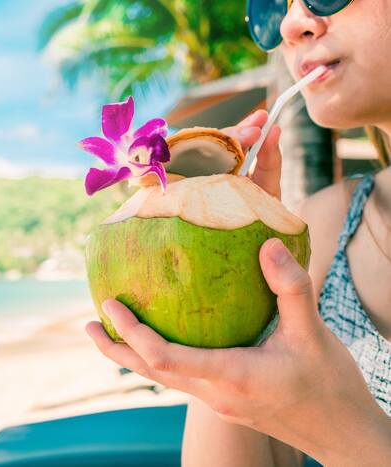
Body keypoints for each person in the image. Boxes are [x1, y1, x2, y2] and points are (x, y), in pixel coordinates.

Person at [85, 1, 391, 465]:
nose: (291, 25)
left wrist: (345, 432)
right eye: (271, 9)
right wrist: (233, 306)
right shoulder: (327, 228)